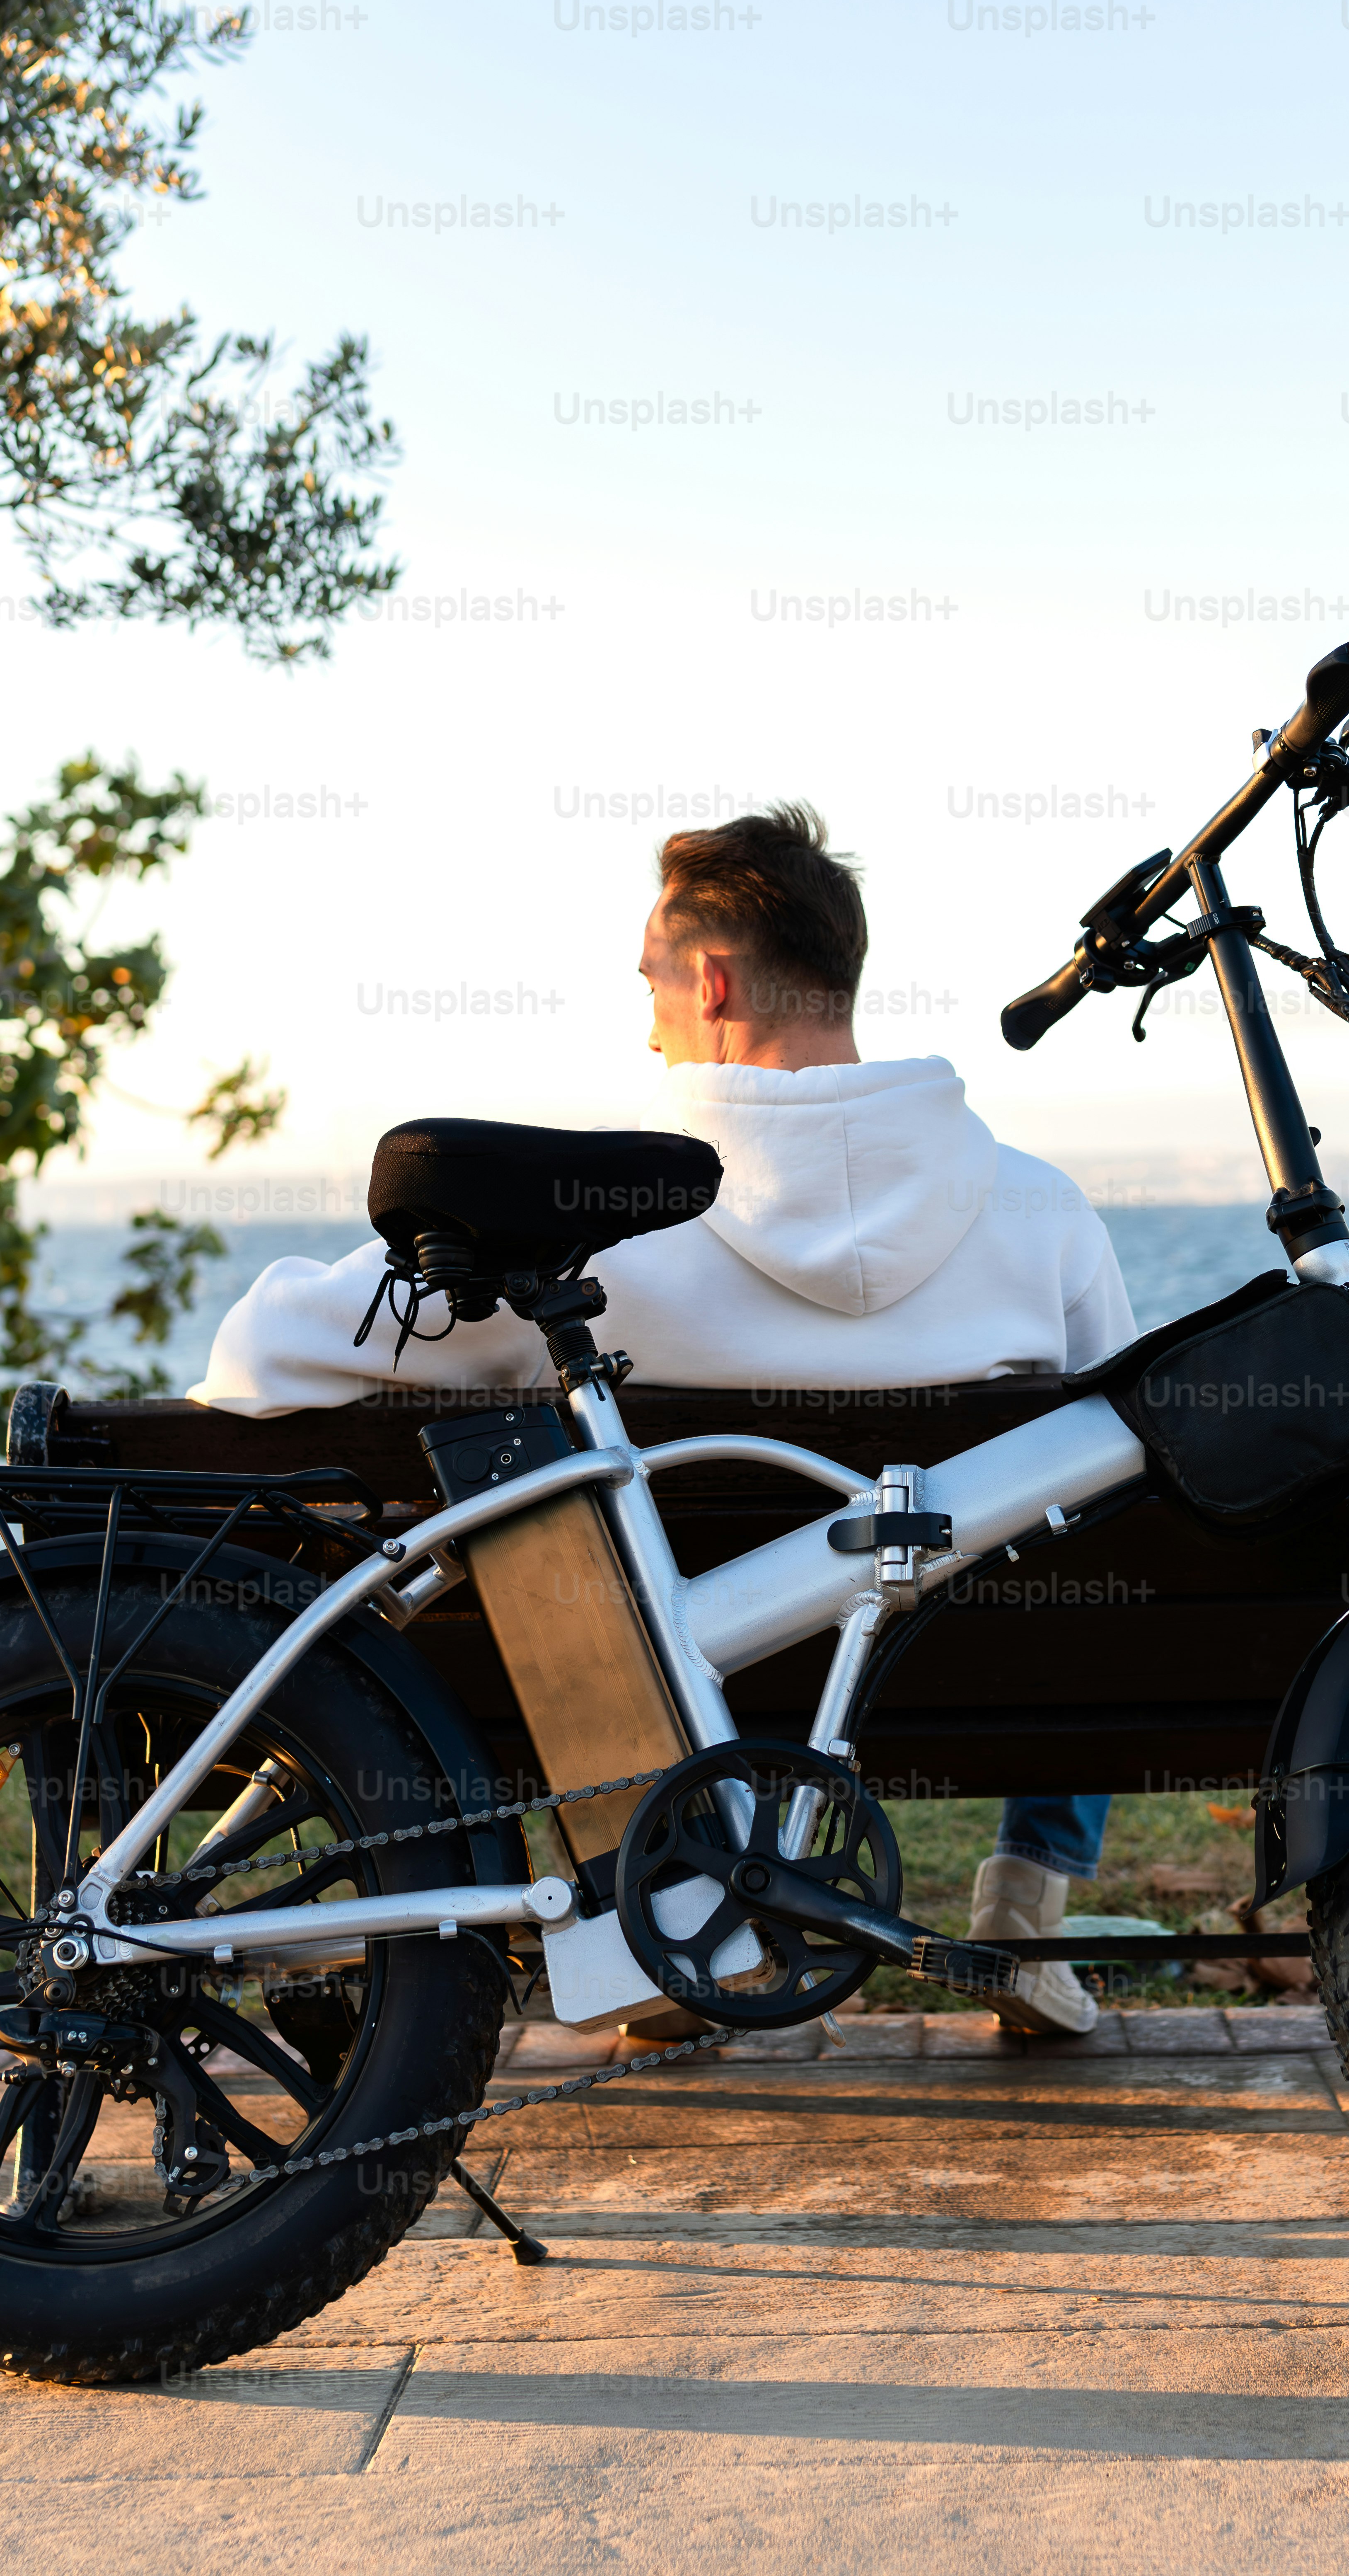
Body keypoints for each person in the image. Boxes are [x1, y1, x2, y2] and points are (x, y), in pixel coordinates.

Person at [198, 803, 1129, 2034]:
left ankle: (683, 1907)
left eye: (650, 986)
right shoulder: (1042, 1210)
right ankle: (1027, 1902)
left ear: (711, 978)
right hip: (1008, 1675)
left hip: (679, 1692)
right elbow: (1125, 1459)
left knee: (561, 1555)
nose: (647, 1031)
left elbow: (268, 1359)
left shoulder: (595, 1232)